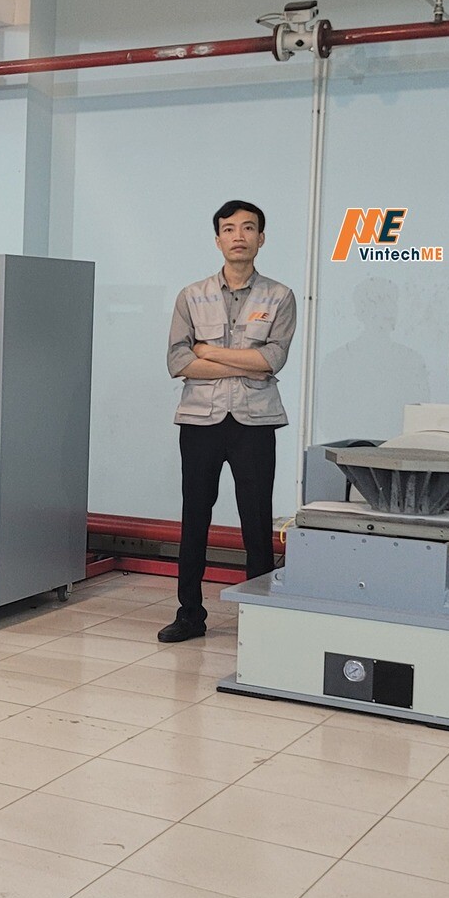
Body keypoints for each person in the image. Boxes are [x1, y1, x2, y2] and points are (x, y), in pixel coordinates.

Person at [162, 200, 298, 643]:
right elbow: (178, 361)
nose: (239, 236)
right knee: (194, 517)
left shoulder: (280, 296)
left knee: (256, 521)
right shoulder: (191, 295)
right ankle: (189, 614)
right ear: (218, 239)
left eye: (248, 228)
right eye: (229, 228)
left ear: (262, 238)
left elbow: (272, 359)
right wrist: (242, 361)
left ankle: (260, 618)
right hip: (199, 421)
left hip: (254, 421)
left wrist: (210, 351)